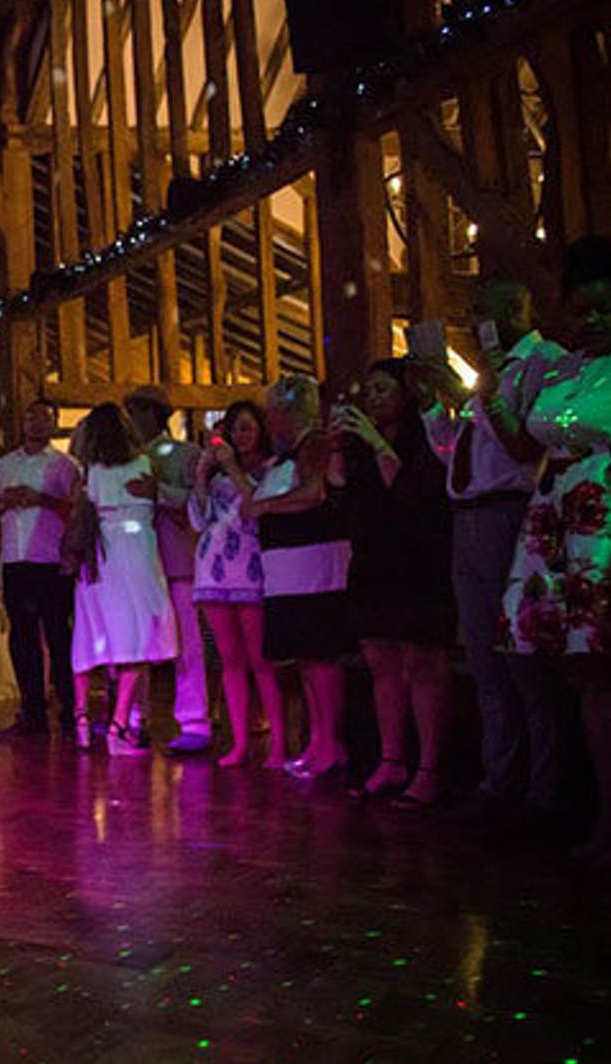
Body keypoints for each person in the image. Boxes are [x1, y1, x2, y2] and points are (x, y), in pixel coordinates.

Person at [417, 278, 570, 827]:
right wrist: (436, 405)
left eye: (486, 310)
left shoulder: (542, 363)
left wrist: (473, 399)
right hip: (467, 516)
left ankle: (545, 787)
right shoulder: (486, 373)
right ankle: (497, 778)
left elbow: (523, 447)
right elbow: (453, 452)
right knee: (484, 658)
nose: (479, 322)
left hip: (511, 511)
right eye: (476, 312)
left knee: (524, 658)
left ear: (519, 306)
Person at [501, 240, 611, 859]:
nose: (591, 322)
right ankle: (595, 805)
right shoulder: (562, 370)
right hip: (557, 514)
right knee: (579, 672)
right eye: (580, 312)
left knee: (606, 669)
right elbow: (527, 444)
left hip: (609, 517)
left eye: (603, 309)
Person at [334, 360, 456, 806]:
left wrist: (373, 439)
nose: (372, 398)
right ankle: (391, 760)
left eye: (382, 389)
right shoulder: (360, 447)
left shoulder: (424, 435)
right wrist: (337, 448)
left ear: (404, 395)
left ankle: (430, 768)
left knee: (422, 661)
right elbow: (342, 497)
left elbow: (412, 492)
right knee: (380, 660)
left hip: (417, 560)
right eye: (368, 391)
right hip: (373, 560)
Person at [244, 375, 352, 779]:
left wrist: (266, 508)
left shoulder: (315, 445)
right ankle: (317, 741)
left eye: (273, 413)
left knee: (321, 656)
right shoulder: (288, 454)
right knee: (306, 659)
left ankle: (329, 743)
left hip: (314, 567)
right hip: (289, 572)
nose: (271, 423)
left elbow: (313, 494)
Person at [68, 404, 178, 754]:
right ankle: (118, 725)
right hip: (136, 553)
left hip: (99, 555)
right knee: (138, 638)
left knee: (89, 636)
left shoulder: (91, 473)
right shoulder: (144, 466)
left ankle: (82, 719)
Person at [189, 400, 285, 767]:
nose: (240, 435)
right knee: (229, 661)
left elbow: (257, 506)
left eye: (246, 427)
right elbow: (199, 521)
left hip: (251, 569)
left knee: (261, 661)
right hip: (213, 572)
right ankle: (240, 742)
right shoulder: (216, 478)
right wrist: (201, 475)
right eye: (234, 428)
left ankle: (276, 743)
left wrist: (231, 466)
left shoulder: (272, 469)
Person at [0, 397, 80, 736]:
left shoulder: (65, 465)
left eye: (43, 418)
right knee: (22, 639)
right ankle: (32, 713)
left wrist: (41, 499)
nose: (36, 424)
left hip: (50, 560)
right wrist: (4, 502)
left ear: (53, 424)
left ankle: (71, 711)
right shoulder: (7, 464)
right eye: (30, 417)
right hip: (16, 559)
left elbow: (77, 511)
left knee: (58, 635)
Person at [125, 386, 208, 752]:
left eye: (136, 413)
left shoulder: (186, 454)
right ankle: (131, 718)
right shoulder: (126, 458)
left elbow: (198, 508)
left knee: (188, 646)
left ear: (151, 414)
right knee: (136, 646)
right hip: (140, 566)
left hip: (177, 564)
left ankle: (195, 722)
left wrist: (158, 492)